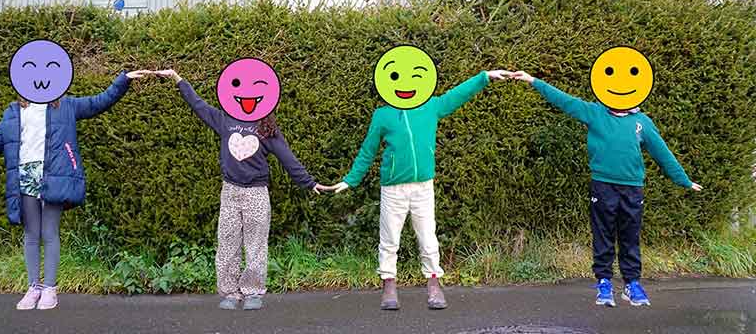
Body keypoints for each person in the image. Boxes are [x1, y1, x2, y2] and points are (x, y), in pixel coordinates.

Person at [0, 69, 152, 310]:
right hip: (25, 177)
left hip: (54, 176)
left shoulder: (65, 105)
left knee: (49, 232)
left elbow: (100, 101)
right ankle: (34, 288)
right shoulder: (13, 112)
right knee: (31, 233)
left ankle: (50, 290)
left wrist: (123, 80)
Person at [324, 44, 511, 310]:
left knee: (427, 237)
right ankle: (389, 286)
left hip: (423, 187)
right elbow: (367, 151)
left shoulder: (431, 107)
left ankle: (434, 284)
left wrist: (485, 77)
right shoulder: (383, 115)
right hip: (393, 189)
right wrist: (350, 180)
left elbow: (457, 94)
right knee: (389, 239)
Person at [509, 70, 702, 307]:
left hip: (633, 190)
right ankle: (604, 282)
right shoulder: (595, 113)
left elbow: (661, 152)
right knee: (604, 235)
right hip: (602, 187)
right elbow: (564, 100)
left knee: (630, 237)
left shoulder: (642, 123)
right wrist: (533, 81)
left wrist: (683, 179)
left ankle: (631, 284)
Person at [155, 69, 327, 311]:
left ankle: (253, 292)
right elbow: (199, 106)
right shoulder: (225, 120)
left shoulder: (267, 127)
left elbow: (288, 158)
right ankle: (230, 293)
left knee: (256, 244)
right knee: (227, 242)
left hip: (256, 193)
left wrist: (309, 183)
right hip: (230, 191)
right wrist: (178, 79)